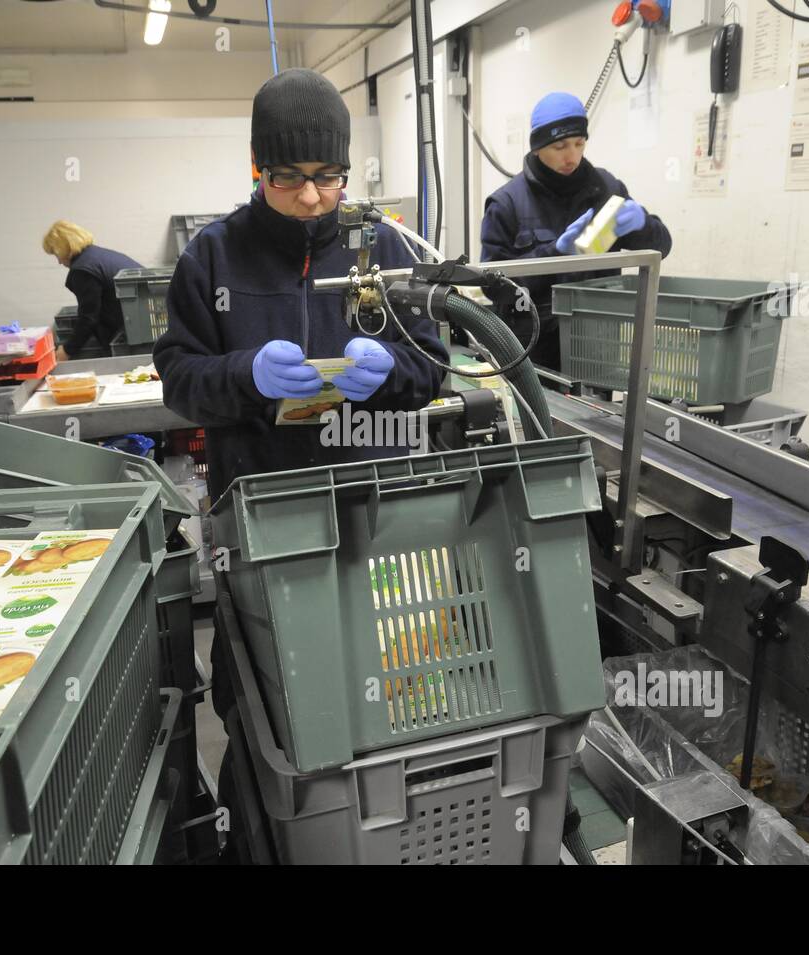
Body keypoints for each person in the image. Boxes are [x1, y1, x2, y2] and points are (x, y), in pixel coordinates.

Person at [153, 68, 448, 859]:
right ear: (258, 168)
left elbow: (435, 367)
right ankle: (278, 834)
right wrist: (242, 374)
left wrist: (392, 368)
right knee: (268, 696)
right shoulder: (213, 258)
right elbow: (180, 379)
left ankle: (383, 832)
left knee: (393, 683)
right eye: (290, 178)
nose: (314, 197)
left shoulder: (378, 246)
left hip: (375, 513)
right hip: (264, 522)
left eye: (328, 177)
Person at [481, 91, 672, 370]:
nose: (572, 156)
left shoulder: (606, 189)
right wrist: (554, 254)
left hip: (598, 344)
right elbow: (492, 286)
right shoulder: (506, 203)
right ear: (537, 147)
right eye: (559, 147)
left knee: (600, 414)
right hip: (532, 352)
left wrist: (644, 224)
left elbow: (661, 248)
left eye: (579, 143)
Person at [41, 221, 142, 361]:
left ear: (64, 248)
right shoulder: (100, 256)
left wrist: (67, 350)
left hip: (129, 337)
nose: (59, 261)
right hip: (140, 326)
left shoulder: (82, 270)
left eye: (56, 255)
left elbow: (89, 317)